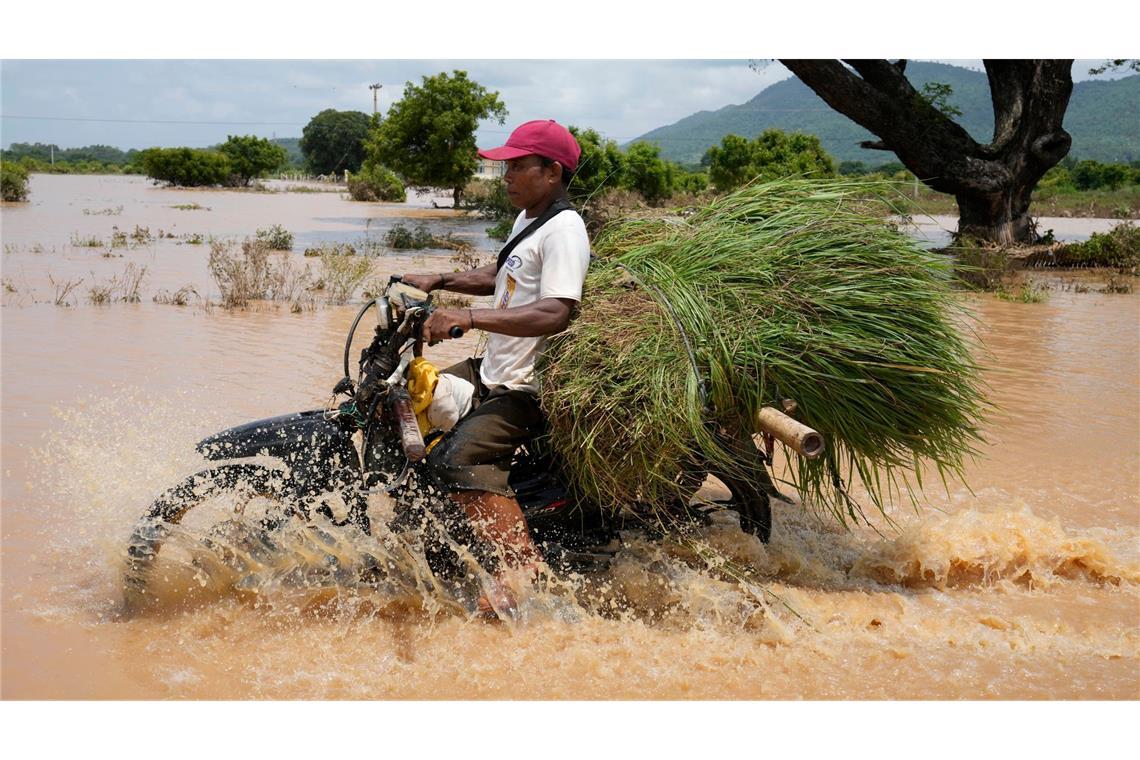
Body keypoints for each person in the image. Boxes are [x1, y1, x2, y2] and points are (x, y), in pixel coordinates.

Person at [401, 119, 590, 617]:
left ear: (551, 171)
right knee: (406, 406)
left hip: (526, 387)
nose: (504, 175)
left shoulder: (565, 228)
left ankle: (521, 566)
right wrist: (441, 278)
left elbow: (557, 311)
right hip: (492, 367)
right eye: (503, 165)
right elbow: (499, 273)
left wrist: (464, 317)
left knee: (454, 459)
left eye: (516, 165)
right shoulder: (529, 219)